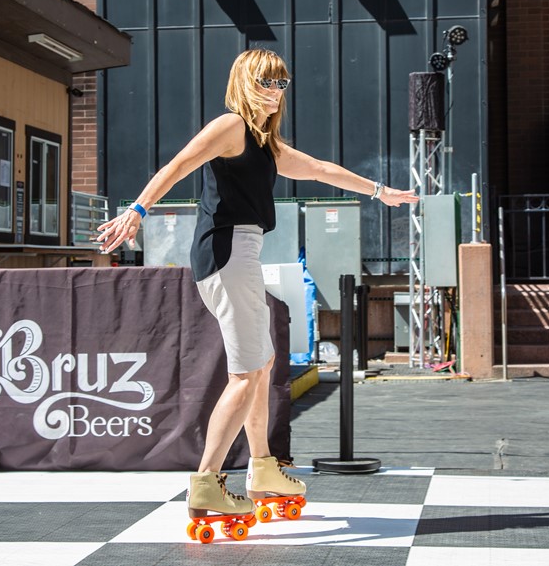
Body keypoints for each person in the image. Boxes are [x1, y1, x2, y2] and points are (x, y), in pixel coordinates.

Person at [95, 48, 420, 526]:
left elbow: (320, 169)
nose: (275, 93)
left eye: (281, 84)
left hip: (240, 252)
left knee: (262, 364)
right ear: (246, 84)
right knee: (247, 373)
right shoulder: (230, 127)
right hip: (226, 252)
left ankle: (263, 467)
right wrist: (138, 210)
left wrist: (379, 191)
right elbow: (178, 166)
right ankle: (207, 483)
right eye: (266, 83)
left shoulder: (266, 145)